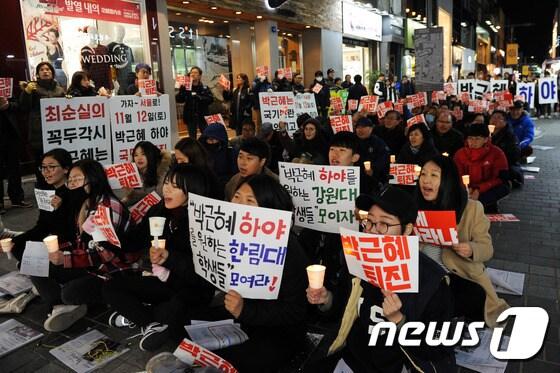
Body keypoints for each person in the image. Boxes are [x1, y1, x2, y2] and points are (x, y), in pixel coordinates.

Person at [306, 186, 455, 372]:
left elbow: (438, 348)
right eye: (369, 222)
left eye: (384, 224)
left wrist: (399, 321)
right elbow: (342, 309)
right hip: (353, 360)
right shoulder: (357, 260)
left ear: (407, 229)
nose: (373, 231)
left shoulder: (432, 281)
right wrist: (326, 299)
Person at [103, 164, 215, 351]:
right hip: (163, 282)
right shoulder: (159, 210)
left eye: (176, 186)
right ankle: (149, 324)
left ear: (193, 190)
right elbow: (134, 242)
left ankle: (138, 315)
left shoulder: (204, 220)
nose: (167, 189)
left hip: (191, 288)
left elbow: (204, 274)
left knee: (174, 315)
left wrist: (170, 258)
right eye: (166, 183)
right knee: (111, 287)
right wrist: (105, 235)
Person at [205, 174, 309, 372]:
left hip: (278, 331)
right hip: (241, 316)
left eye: (250, 201)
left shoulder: (289, 249)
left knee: (241, 361)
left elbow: (295, 311)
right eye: (237, 197)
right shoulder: (228, 234)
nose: (240, 205)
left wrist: (245, 310)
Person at [33, 159, 138, 332]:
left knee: (70, 292)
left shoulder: (107, 208)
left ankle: (74, 300)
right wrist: (58, 251)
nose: (72, 184)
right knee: (36, 265)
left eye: (77, 179)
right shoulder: (85, 204)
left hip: (112, 271)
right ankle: (61, 305)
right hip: (90, 264)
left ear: (93, 178)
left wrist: (66, 258)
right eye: (71, 180)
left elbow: (105, 255)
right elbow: (77, 241)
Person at [416, 155, 508, 326]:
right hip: (425, 275)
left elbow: (487, 248)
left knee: (471, 296)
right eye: (423, 174)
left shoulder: (472, 208)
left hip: (459, 275)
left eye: (434, 175)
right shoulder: (414, 207)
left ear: (448, 180)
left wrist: (471, 249)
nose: (426, 181)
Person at [11, 149, 78, 261]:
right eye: (43, 167)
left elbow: (71, 231)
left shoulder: (75, 193)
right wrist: (14, 241)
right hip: (52, 241)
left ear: (66, 169)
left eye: (51, 167)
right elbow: (42, 227)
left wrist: (60, 208)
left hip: (71, 245)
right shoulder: (46, 192)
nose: (46, 172)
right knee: (18, 247)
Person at [19, 62, 66, 181]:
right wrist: (26, 92)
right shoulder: (32, 88)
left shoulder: (60, 90)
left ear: (52, 73)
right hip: (38, 133)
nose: (45, 71)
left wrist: (69, 99)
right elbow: (23, 107)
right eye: (42, 70)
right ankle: (43, 192)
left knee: (57, 162)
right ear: (38, 74)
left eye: (48, 69)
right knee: (41, 165)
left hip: (57, 132)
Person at [454, 124, 510, 212]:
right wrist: (467, 189)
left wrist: (479, 189)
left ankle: (486, 205)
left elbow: (499, 177)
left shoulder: (496, 153)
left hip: (487, 188)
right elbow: (457, 174)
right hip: (466, 188)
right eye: (470, 138)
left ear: (485, 139)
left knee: (504, 187)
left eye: (477, 139)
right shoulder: (460, 154)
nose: (473, 142)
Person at [0, 95, 31, 213]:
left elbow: (20, 104)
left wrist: (8, 105)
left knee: (14, 168)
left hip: (11, 132)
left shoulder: (6, 84)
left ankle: (17, 198)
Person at [120, 141, 172, 206]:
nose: (139, 158)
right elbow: (134, 199)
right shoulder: (134, 173)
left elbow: (160, 197)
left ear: (151, 155)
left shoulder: (163, 171)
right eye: (136, 155)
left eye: (143, 154)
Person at [176, 66, 214, 139]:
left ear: (199, 76)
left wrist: (199, 98)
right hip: (190, 117)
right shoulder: (185, 88)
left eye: (195, 72)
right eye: (191, 72)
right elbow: (179, 100)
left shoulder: (204, 87)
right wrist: (182, 89)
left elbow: (210, 99)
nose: (193, 74)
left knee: (206, 136)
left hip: (202, 116)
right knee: (192, 138)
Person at [354, 117, 390, 191]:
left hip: (372, 181)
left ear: (371, 128)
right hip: (353, 179)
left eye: (364, 127)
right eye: (358, 127)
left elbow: (383, 159)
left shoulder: (378, 143)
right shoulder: (351, 141)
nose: (360, 130)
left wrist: (373, 171)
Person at [490, 110, 523, 187]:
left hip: (505, 166)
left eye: (499, 118)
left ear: (505, 122)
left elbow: (514, 156)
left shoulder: (510, 136)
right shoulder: (486, 133)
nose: (495, 120)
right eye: (493, 117)